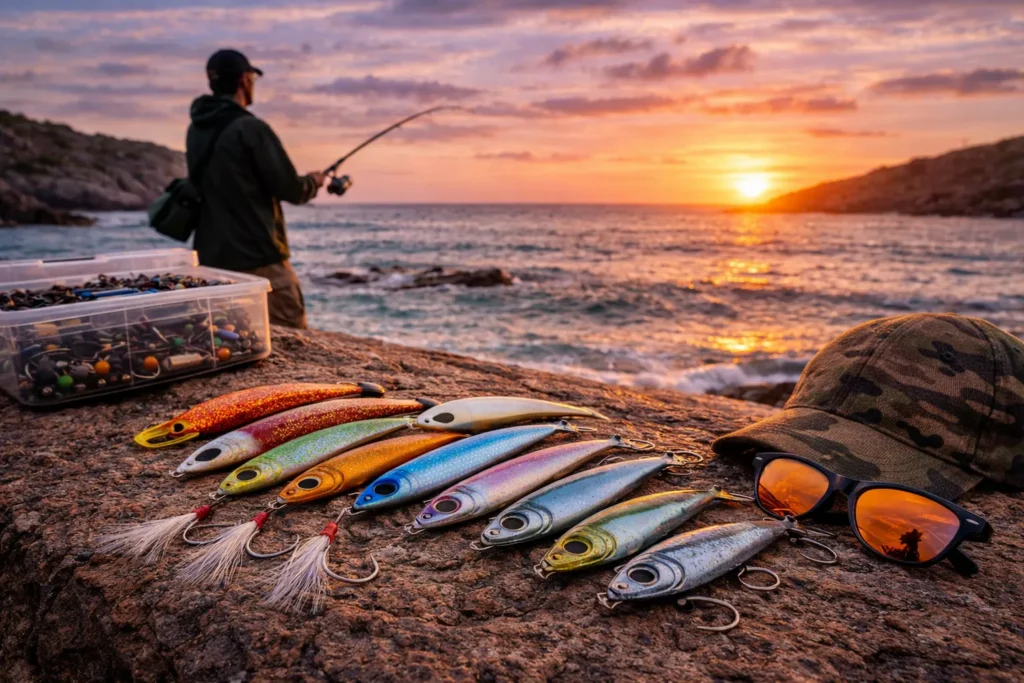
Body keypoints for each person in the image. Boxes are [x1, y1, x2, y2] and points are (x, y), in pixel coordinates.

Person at [187, 49, 325, 329]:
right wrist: (315, 181)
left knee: (233, 336)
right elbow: (292, 190)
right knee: (292, 332)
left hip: (212, 260)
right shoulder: (251, 129)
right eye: (252, 78)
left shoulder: (197, 128)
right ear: (244, 80)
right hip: (258, 256)